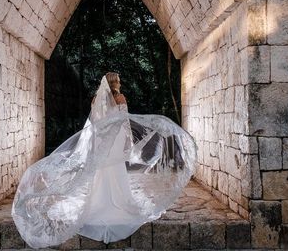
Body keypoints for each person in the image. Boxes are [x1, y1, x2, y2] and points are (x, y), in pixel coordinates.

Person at [11, 72, 197, 249]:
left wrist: (95, 142)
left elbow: (94, 122)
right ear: (116, 82)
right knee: (116, 170)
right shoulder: (120, 98)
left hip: (100, 140)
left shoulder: (96, 99)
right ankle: (118, 200)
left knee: (100, 171)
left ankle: (98, 202)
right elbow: (124, 122)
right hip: (115, 139)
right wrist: (128, 142)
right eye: (119, 80)